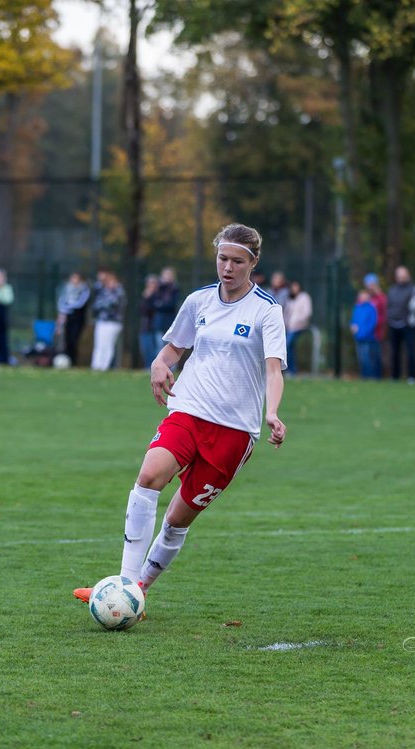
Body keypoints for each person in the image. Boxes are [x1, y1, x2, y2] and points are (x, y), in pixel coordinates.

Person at [71, 223, 286, 608]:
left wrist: (272, 412)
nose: (228, 267)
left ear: (253, 263)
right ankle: (124, 584)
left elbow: (273, 369)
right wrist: (158, 364)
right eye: (222, 258)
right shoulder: (198, 301)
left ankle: (141, 589)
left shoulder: (266, 311)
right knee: (149, 476)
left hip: (234, 432)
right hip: (188, 409)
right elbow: (173, 350)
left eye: (238, 261)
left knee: (176, 520)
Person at [90, 267, 126, 371]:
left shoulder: (118, 290)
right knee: (99, 344)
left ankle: (104, 366)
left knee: (108, 344)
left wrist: (104, 304)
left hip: (113, 322)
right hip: (102, 320)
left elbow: (113, 304)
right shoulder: (102, 290)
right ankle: (96, 366)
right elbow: (96, 305)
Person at [386, 266, 415, 381]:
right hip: (393, 324)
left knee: (410, 352)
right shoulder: (392, 290)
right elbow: (389, 306)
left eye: (403, 275)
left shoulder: (413, 290)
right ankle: (395, 376)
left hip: (407, 325)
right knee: (394, 352)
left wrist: (408, 319)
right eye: (399, 275)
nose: (401, 277)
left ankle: (411, 376)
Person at [56, 271, 90, 361]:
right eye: (72, 278)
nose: (73, 280)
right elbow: (61, 302)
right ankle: (67, 359)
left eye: (76, 278)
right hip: (68, 317)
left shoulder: (85, 290)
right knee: (66, 339)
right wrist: (63, 311)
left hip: (78, 318)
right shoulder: (66, 289)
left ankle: (74, 359)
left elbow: (80, 304)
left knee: (74, 339)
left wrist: (68, 307)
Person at [350, 289, 380, 379]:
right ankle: (363, 376)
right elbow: (353, 321)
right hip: (358, 337)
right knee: (361, 359)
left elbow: (372, 323)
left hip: (367, 338)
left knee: (367, 358)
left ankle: (370, 377)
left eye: (363, 296)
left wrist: (364, 333)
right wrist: (352, 327)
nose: (361, 298)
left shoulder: (371, 308)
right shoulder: (357, 308)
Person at [284, 279, 312, 375]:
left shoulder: (304, 297)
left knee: (288, 346)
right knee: (288, 348)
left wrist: (298, 321)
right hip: (288, 327)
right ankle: (290, 370)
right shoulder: (290, 299)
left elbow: (307, 312)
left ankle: (291, 370)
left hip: (299, 327)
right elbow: (287, 313)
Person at [364, 273, 388, 379]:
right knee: (366, 356)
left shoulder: (381, 298)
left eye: (372, 284)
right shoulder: (366, 297)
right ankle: (367, 376)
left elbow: (384, 311)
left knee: (376, 355)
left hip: (377, 331)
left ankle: (377, 377)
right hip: (366, 331)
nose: (370, 287)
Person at [153, 266, 179, 352]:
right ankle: (159, 364)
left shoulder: (175, 289)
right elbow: (154, 303)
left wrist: (161, 305)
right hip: (159, 321)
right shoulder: (158, 288)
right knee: (159, 345)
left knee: (170, 346)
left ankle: (171, 365)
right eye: (165, 275)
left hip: (170, 321)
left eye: (168, 275)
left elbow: (171, 305)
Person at [138, 274, 160, 370]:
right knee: (146, 349)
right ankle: (148, 367)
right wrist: (146, 298)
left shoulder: (159, 296)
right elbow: (142, 311)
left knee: (155, 350)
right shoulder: (145, 296)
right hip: (145, 326)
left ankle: (155, 368)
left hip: (156, 326)